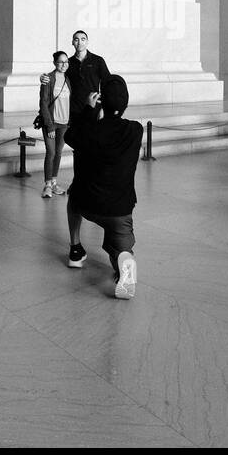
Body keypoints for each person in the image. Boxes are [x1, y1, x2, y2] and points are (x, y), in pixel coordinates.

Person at [63, 76, 143, 299]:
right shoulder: (136, 131)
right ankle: (123, 262)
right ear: (125, 102)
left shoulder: (90, 131)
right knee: (121, 247)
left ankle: (76, 248)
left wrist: (89, 110)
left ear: (101, 101)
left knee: (72, 199)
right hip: (120, 208)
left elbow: (70, 136)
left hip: (87, 202)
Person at [41, 30, 110, 127]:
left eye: (83, 39)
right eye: (76, 40)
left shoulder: (98, 60)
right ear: (72, 42)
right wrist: (43, 77)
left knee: (93, 140)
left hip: (94, 108)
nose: (80, 42)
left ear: (87, 42)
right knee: (76, 140)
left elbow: (108, 84)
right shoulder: (68, 62)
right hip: (74, 110)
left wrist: (104, 109)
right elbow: (56, 75)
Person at [39, 51, 71, 199]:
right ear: (55, 63)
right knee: (50, 152)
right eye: (60, 62)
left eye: (66, 62)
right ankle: (47, 185)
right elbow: (44, 103)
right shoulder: (49, 79)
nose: (64, 65)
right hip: (52, 122)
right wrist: (49, 125)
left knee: (58, 152)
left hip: (64, 123)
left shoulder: (69, 79)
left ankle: (54, 182)